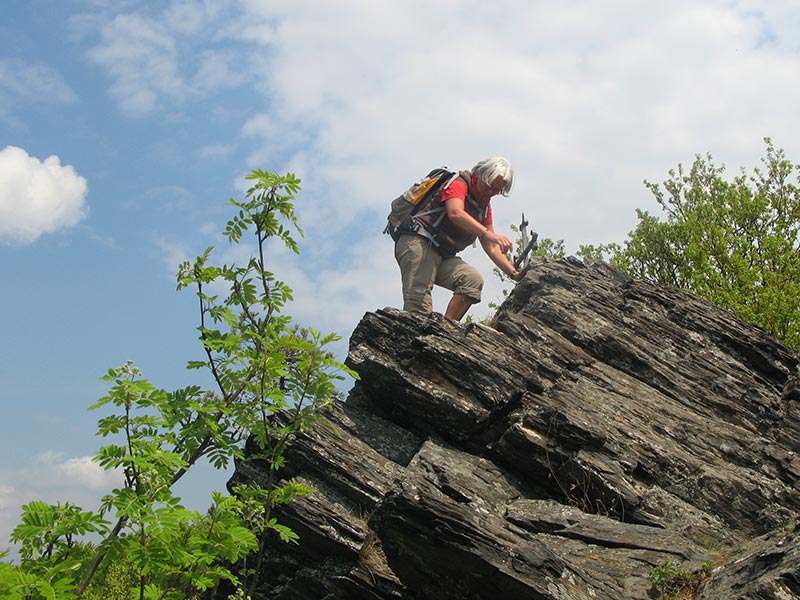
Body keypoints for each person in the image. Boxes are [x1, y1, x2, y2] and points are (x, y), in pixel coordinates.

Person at [394, 156, 524, 321]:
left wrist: (514, 274)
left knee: (471, 281)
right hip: (419, 242)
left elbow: (491, 246)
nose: (491, 193)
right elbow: (455, 213)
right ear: (481, 175)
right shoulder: (459, 184)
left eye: (497, 190)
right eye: (490, 186)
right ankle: (415, 341)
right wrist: (488, 233)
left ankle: (444, 331)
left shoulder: (483, 206)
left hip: (443, 254)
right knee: (418, 306)